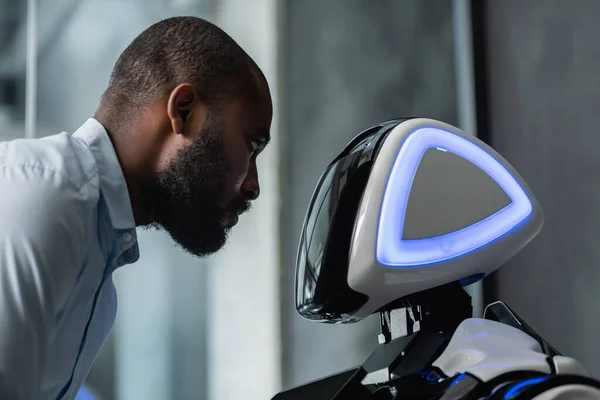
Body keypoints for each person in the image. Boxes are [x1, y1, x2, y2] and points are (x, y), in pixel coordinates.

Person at [0, 16, 272, 399]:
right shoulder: (46, 193)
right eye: (252, 144)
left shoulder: (98, 266)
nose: (253, 185)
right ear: (183, 111)